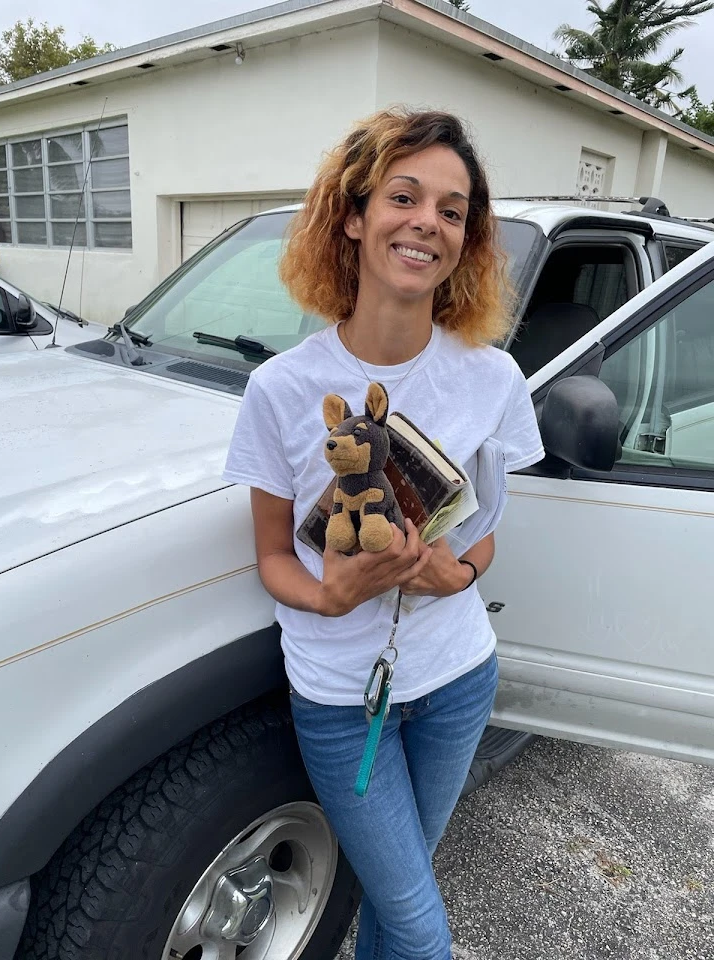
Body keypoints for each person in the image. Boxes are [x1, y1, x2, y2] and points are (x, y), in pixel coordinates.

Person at [223, 108, 544, 960]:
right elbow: (268, 557)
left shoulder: (492, 378)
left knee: (400, 908)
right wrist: (329, 596)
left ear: (466, 240)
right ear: (354, 217)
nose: (426, 223)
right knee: (420, 925)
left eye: (451, 209)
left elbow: (488, 531)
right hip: (339, 699)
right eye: (404, 196)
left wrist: (457, 576)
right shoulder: (283, 390)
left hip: (459, 678)